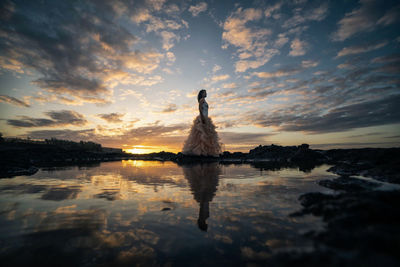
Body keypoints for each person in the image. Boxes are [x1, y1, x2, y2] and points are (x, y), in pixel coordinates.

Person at [182, 89, 221, 157]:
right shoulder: (202, 100)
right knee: (201, 135)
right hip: (203, 117)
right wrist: (202, 117)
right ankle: (200, 152)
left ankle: (205, 152)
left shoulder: (204, 100)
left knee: (206, 135)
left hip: (205, 117)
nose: (206, 94)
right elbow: (200, 109)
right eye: (205, 93)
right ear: (202, 94)